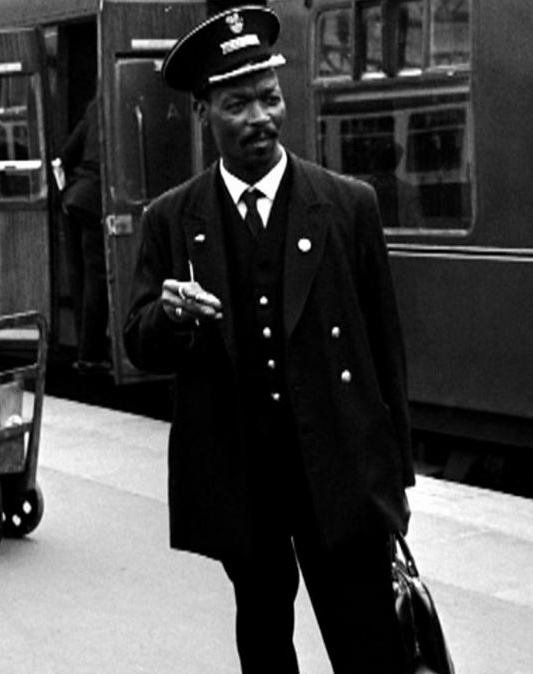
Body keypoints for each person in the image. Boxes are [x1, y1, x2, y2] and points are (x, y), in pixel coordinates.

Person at [122, 6, 415, 672]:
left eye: (269, 98)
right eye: (237, 104)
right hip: (240, 476)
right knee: (262, 633)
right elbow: (138, 343)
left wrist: (395, 482)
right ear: (204, 114)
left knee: (367, 637)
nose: (259, 117)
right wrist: (169, 318)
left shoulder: (347, 206)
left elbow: (384, 349)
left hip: (339, 470)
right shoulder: (171, 220)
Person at [60, 97, 109, 373]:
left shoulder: (95, 105)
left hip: (74, 198)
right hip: (94, 202)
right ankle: (91, 354)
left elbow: (66, 154)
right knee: (97, 279)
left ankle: (85, 347)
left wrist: (62, 192)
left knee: (81, 278)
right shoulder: (119, 100)